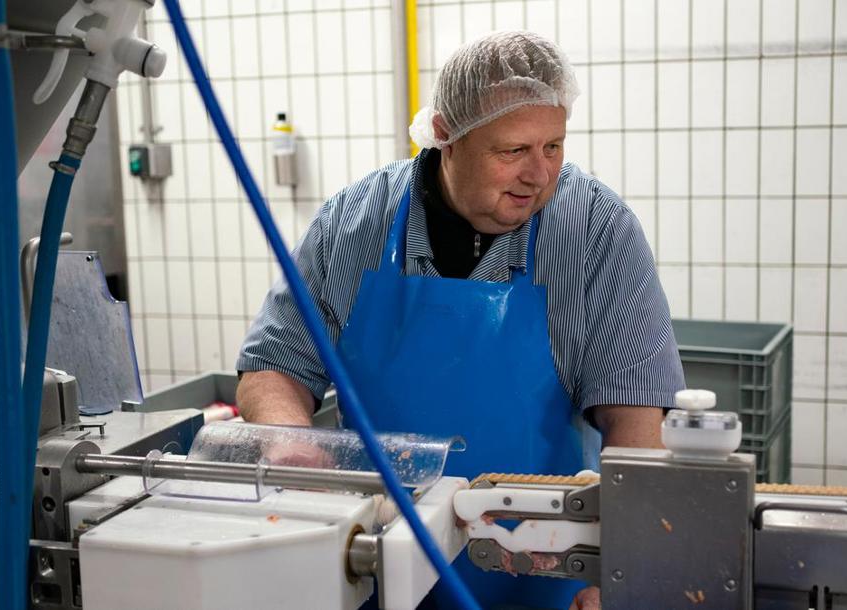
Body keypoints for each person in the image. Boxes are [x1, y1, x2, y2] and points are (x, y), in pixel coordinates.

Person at [235, 30, 685, 610]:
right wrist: (289, 440)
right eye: (512, 151)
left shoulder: (597, 229)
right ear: (446, 135)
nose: (538, 174)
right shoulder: (354, 221)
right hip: (374, 566)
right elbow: (274, 366)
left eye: (554, 146)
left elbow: (636, 420)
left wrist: (625, 567)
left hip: (543, 575)